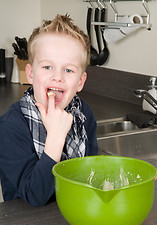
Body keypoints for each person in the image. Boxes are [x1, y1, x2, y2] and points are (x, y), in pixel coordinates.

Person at [0, 14, 98, 206]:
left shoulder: (84, 113)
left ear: (80, 82)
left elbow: (91, 170)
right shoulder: (10, 125)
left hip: (74, 212)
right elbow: (34, 196)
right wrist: (55, 137)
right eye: (47, 67)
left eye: (68, 70)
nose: (57, 77)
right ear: (30, 73)